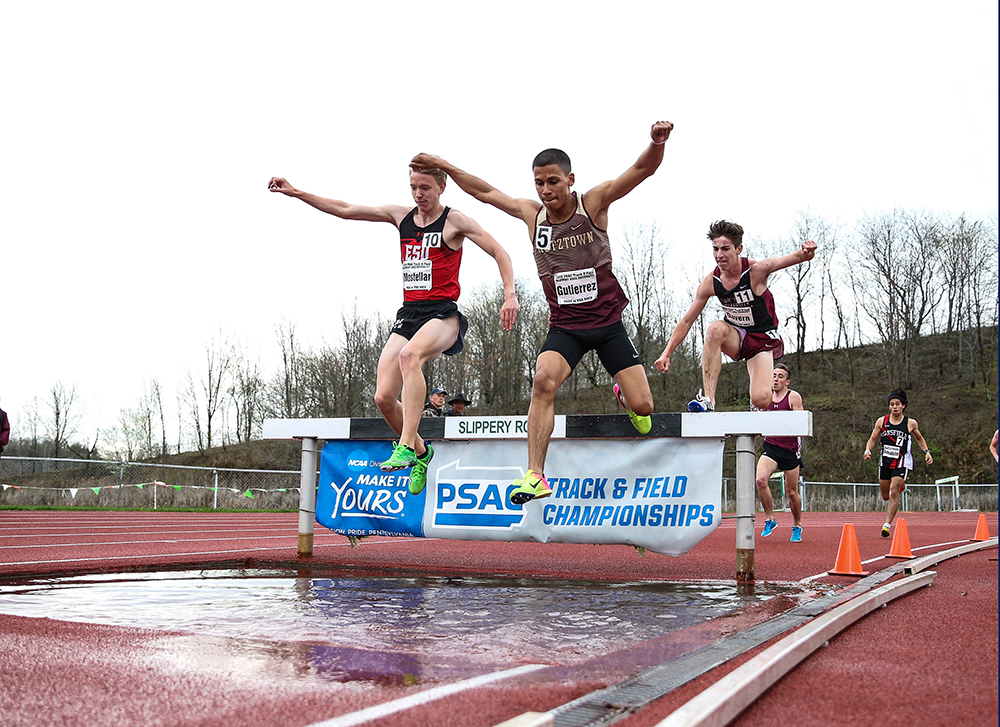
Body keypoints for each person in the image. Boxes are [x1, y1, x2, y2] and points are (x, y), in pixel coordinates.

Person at [411, 120, 673, 505]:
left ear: (569, 179)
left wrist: (655, 143)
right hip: (566, 327)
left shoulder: (593, 204)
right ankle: (535, 475)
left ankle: (623, 394)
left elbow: (641, 170)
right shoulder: (532, 215)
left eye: (553, 181)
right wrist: (445, 166)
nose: (546, 190)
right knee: (542, 381)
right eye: (539, 183)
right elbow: (485, 192)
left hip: (607, 325)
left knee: (644, 407)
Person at [268, 167, 518, 496]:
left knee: (409, 355)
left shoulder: (455, 221)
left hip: (443, 314)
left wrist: (510, 294)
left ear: (442, 186)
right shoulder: (401, 217)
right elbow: (345, 210)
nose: (419, 194)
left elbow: (500, 251)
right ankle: (420, 452)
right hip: (410, 314)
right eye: (414, 187)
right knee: (384, 398)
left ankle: (403, 445)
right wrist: (296, 192)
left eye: (426, 188)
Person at [654, 221, 816, 412]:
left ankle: (756, 399)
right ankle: (709, 400)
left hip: (761, 337)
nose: (719, 255)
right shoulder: (711, 282)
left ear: (738, 249)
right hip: (736, 335)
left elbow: (789, 259)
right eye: (715, 249)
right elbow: (687, 320)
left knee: (762, 399)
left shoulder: (756, 271)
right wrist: (667, 353)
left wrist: (805, 254)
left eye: (725, 249)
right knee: (715, 328)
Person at [863, 389, 933, 538]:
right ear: (889, 407)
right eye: (892, 404)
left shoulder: (910, 423)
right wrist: (867, 450)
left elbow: (919, 438)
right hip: (885, 462)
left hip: (902, 462)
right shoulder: (882, 421)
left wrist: (926, 451)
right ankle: (899, 485)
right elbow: (873, 439)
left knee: (894, 491)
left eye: (897, 404)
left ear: (903, 406)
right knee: (885, 495)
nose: (894, 407)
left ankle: (887, 525)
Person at [754, 364, 804, 542]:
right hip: (771, 446)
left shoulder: (793, 397)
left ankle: (797, 524)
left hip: (790, 450)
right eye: (773, 375)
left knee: (792, 492)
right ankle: (769, 519)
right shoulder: (764, 398)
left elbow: (800, 422)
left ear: (787, 381)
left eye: (780, 376)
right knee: (760, 480)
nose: (776, 379)